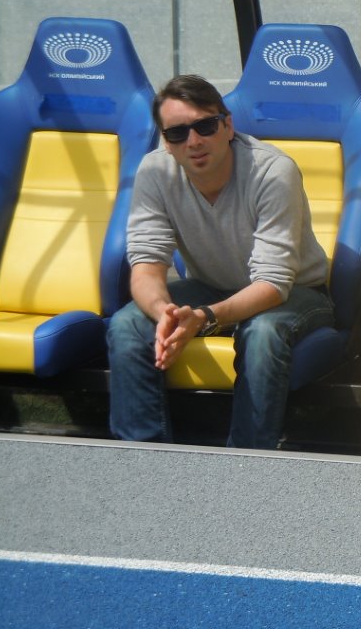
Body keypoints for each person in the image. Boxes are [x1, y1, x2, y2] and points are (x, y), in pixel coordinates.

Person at [108, 74, 335, 449]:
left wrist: (205, 317)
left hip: (296, 293)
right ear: (165, 141)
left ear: (227, 125)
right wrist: (164, 312)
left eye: (205, 126)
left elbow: (273, 283)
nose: (194, 141)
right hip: (211, 286)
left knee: (262, 332)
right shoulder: (154, 171)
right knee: (127, 323)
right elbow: (146, 264)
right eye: (178, 133)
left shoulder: (272, 171)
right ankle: (143, 458)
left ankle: (246, 461)